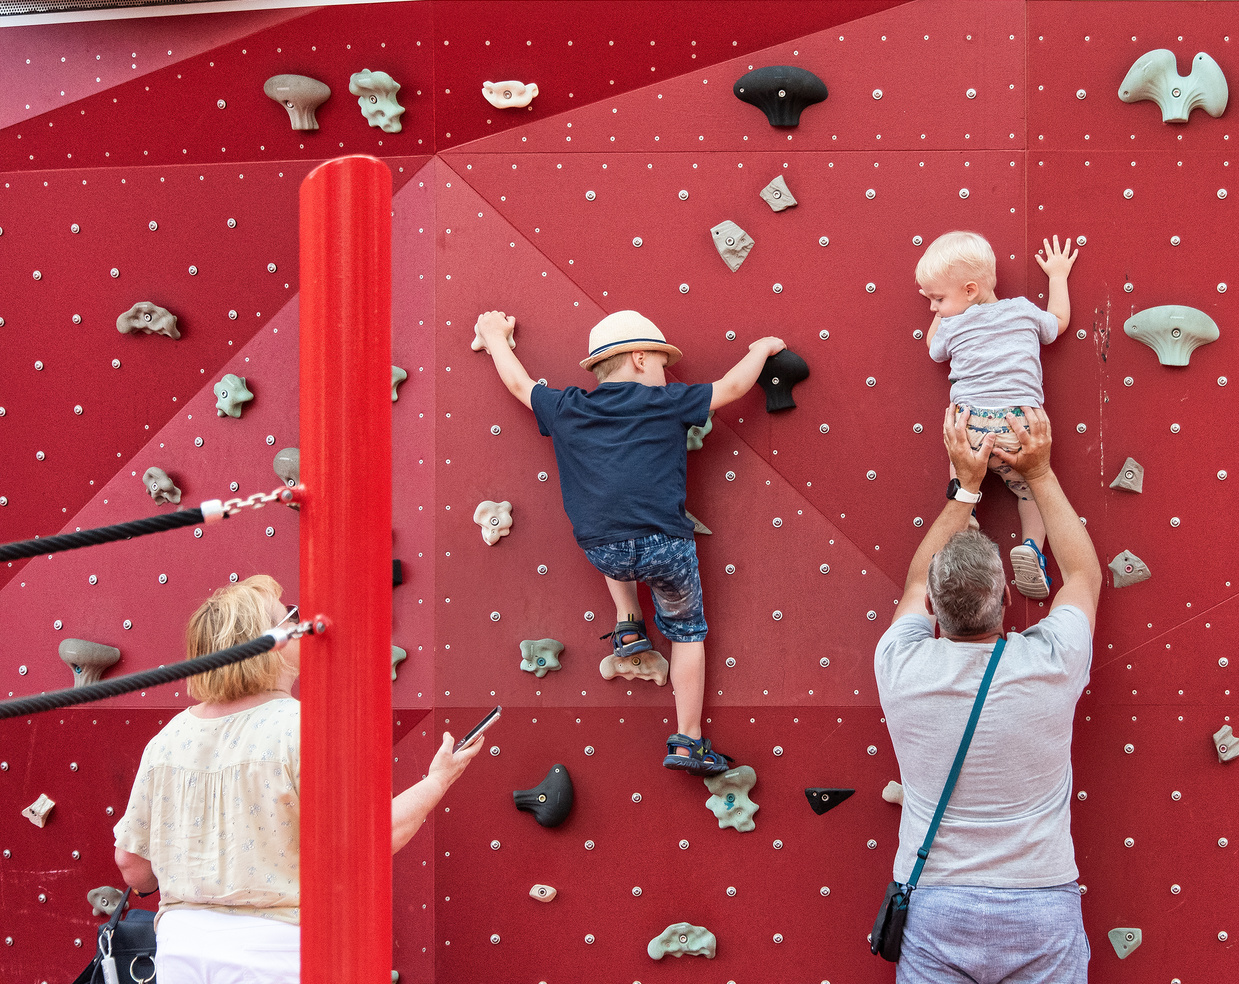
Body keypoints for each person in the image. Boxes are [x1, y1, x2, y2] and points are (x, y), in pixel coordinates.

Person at [111, 574, 483, 984]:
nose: (301, 623)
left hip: (181, 949)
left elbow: (132, 866)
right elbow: (367, 842)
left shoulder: (166, 740)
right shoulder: (304, 727)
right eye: (291, 616)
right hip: (275, 953)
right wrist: (436, 782)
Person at [473, 307, 783, 774]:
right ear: (640, 359)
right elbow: (734, 388)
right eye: (662, 363)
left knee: (612, 539)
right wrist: (761, 348)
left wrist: (495, 336)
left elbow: (520, 385)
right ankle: (689, 740)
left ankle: (629, 622)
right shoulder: (669, 402)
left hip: (603, 549)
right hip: (667, 549)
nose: (666, 373)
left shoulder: (568, 407)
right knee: (687, 635)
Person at [875, 406, 1104, 984]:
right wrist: (1042, 473)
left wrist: (965, 489)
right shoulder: (1049, 661)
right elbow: (1082, 577)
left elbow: (911, 584)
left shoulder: (900, 665)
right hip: (1039, 906)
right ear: (1006, 602)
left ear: (933, 608)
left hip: (935, 906)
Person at [918, 230, 1077, 598]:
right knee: (1030, 491)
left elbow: (932, 348)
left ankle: (966, 522)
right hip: (1018, 426)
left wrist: (943, 314)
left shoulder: (953, 325)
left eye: (937, 299)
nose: (933, 308)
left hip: (969, 425)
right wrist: (1056, 276)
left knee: (960, 478)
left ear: (970, 291)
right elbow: (1058, 322)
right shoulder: (1022, 310)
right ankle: (1032, 549)